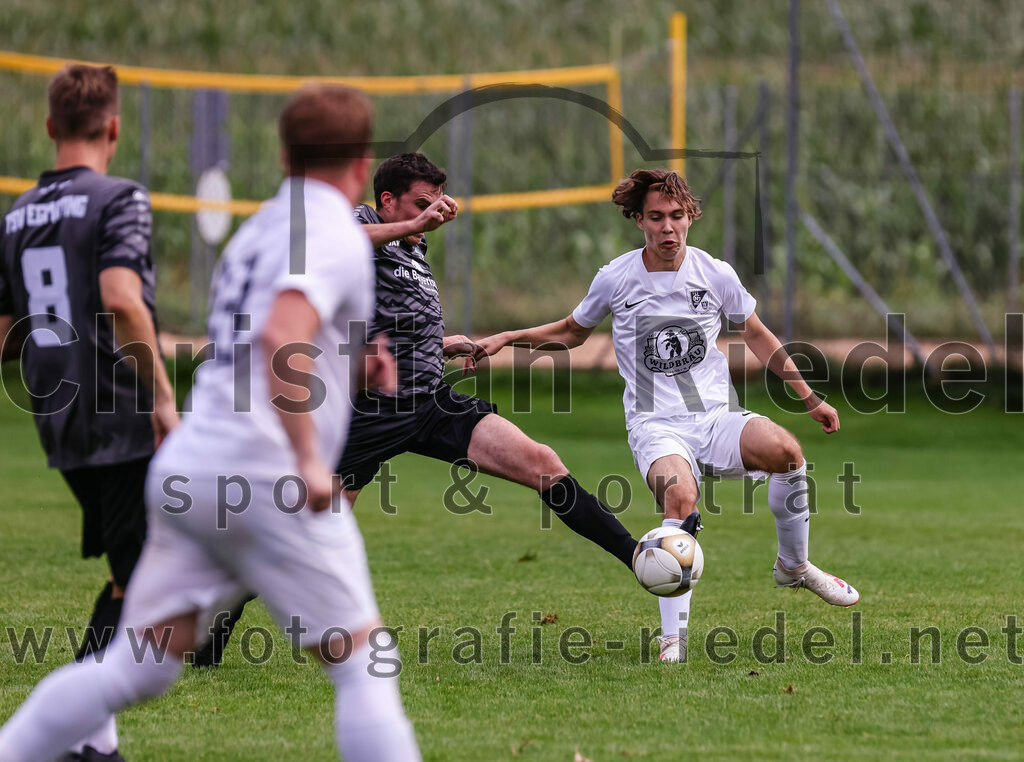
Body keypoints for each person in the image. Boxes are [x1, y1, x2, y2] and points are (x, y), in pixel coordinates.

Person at [0, 85, 421, 761]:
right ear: (363, 158)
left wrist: (354, 361)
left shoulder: (259, 227)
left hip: (192, 469)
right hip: (265, 471)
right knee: (365, 661)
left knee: (135, 668)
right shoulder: (335, 230)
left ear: (284, 154)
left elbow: (267, 333)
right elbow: (283, 335)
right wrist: (310, 460)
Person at [471, 168, 860, 663]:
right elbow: (572, 331)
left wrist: (809, 397)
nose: (668, 228)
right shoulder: (617, 276)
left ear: (691, 217)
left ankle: (795, 565)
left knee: (786, 452)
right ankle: (673, 639)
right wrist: (508, 337)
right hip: (656, 425)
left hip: (715, 417)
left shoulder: (714, 273)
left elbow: (757, 334)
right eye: (656, 217)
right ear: (639, 221)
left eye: (677, 216)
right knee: (679, 495)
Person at [336, 152, 637, 568]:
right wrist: (413, 224)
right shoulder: (362, 224)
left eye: (434, 205)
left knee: (543, 463)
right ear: (387, 200)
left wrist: (436, 344)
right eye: (420, 205)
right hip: (371, 410)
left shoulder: (411, 247)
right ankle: (215, 625)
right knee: (306, 537)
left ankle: (640, 557)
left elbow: (385, 322)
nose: (429, 217)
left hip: (431, 403)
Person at [0, 64, 177, 759]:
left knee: (138, 577)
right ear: (113, 128)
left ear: (49, 128)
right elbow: (122, 297)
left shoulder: (14, 216)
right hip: (120, 409)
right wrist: (163, 400)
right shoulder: (119, 198)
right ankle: (43, 740)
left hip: (60, 420)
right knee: (150, 587)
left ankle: (90, 741)